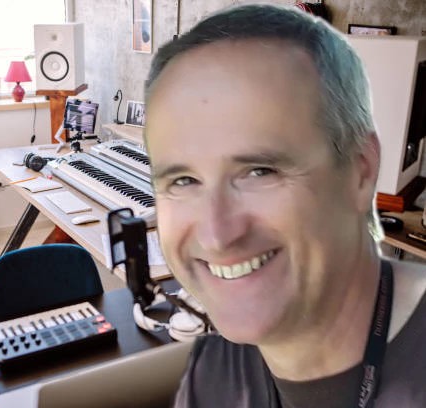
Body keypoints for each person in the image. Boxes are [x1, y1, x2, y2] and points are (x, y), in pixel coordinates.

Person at [144, 3, 426, 407]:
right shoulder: (211, 374)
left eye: (260, 171)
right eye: (183, 180)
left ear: (361, 170)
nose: (217, 236)